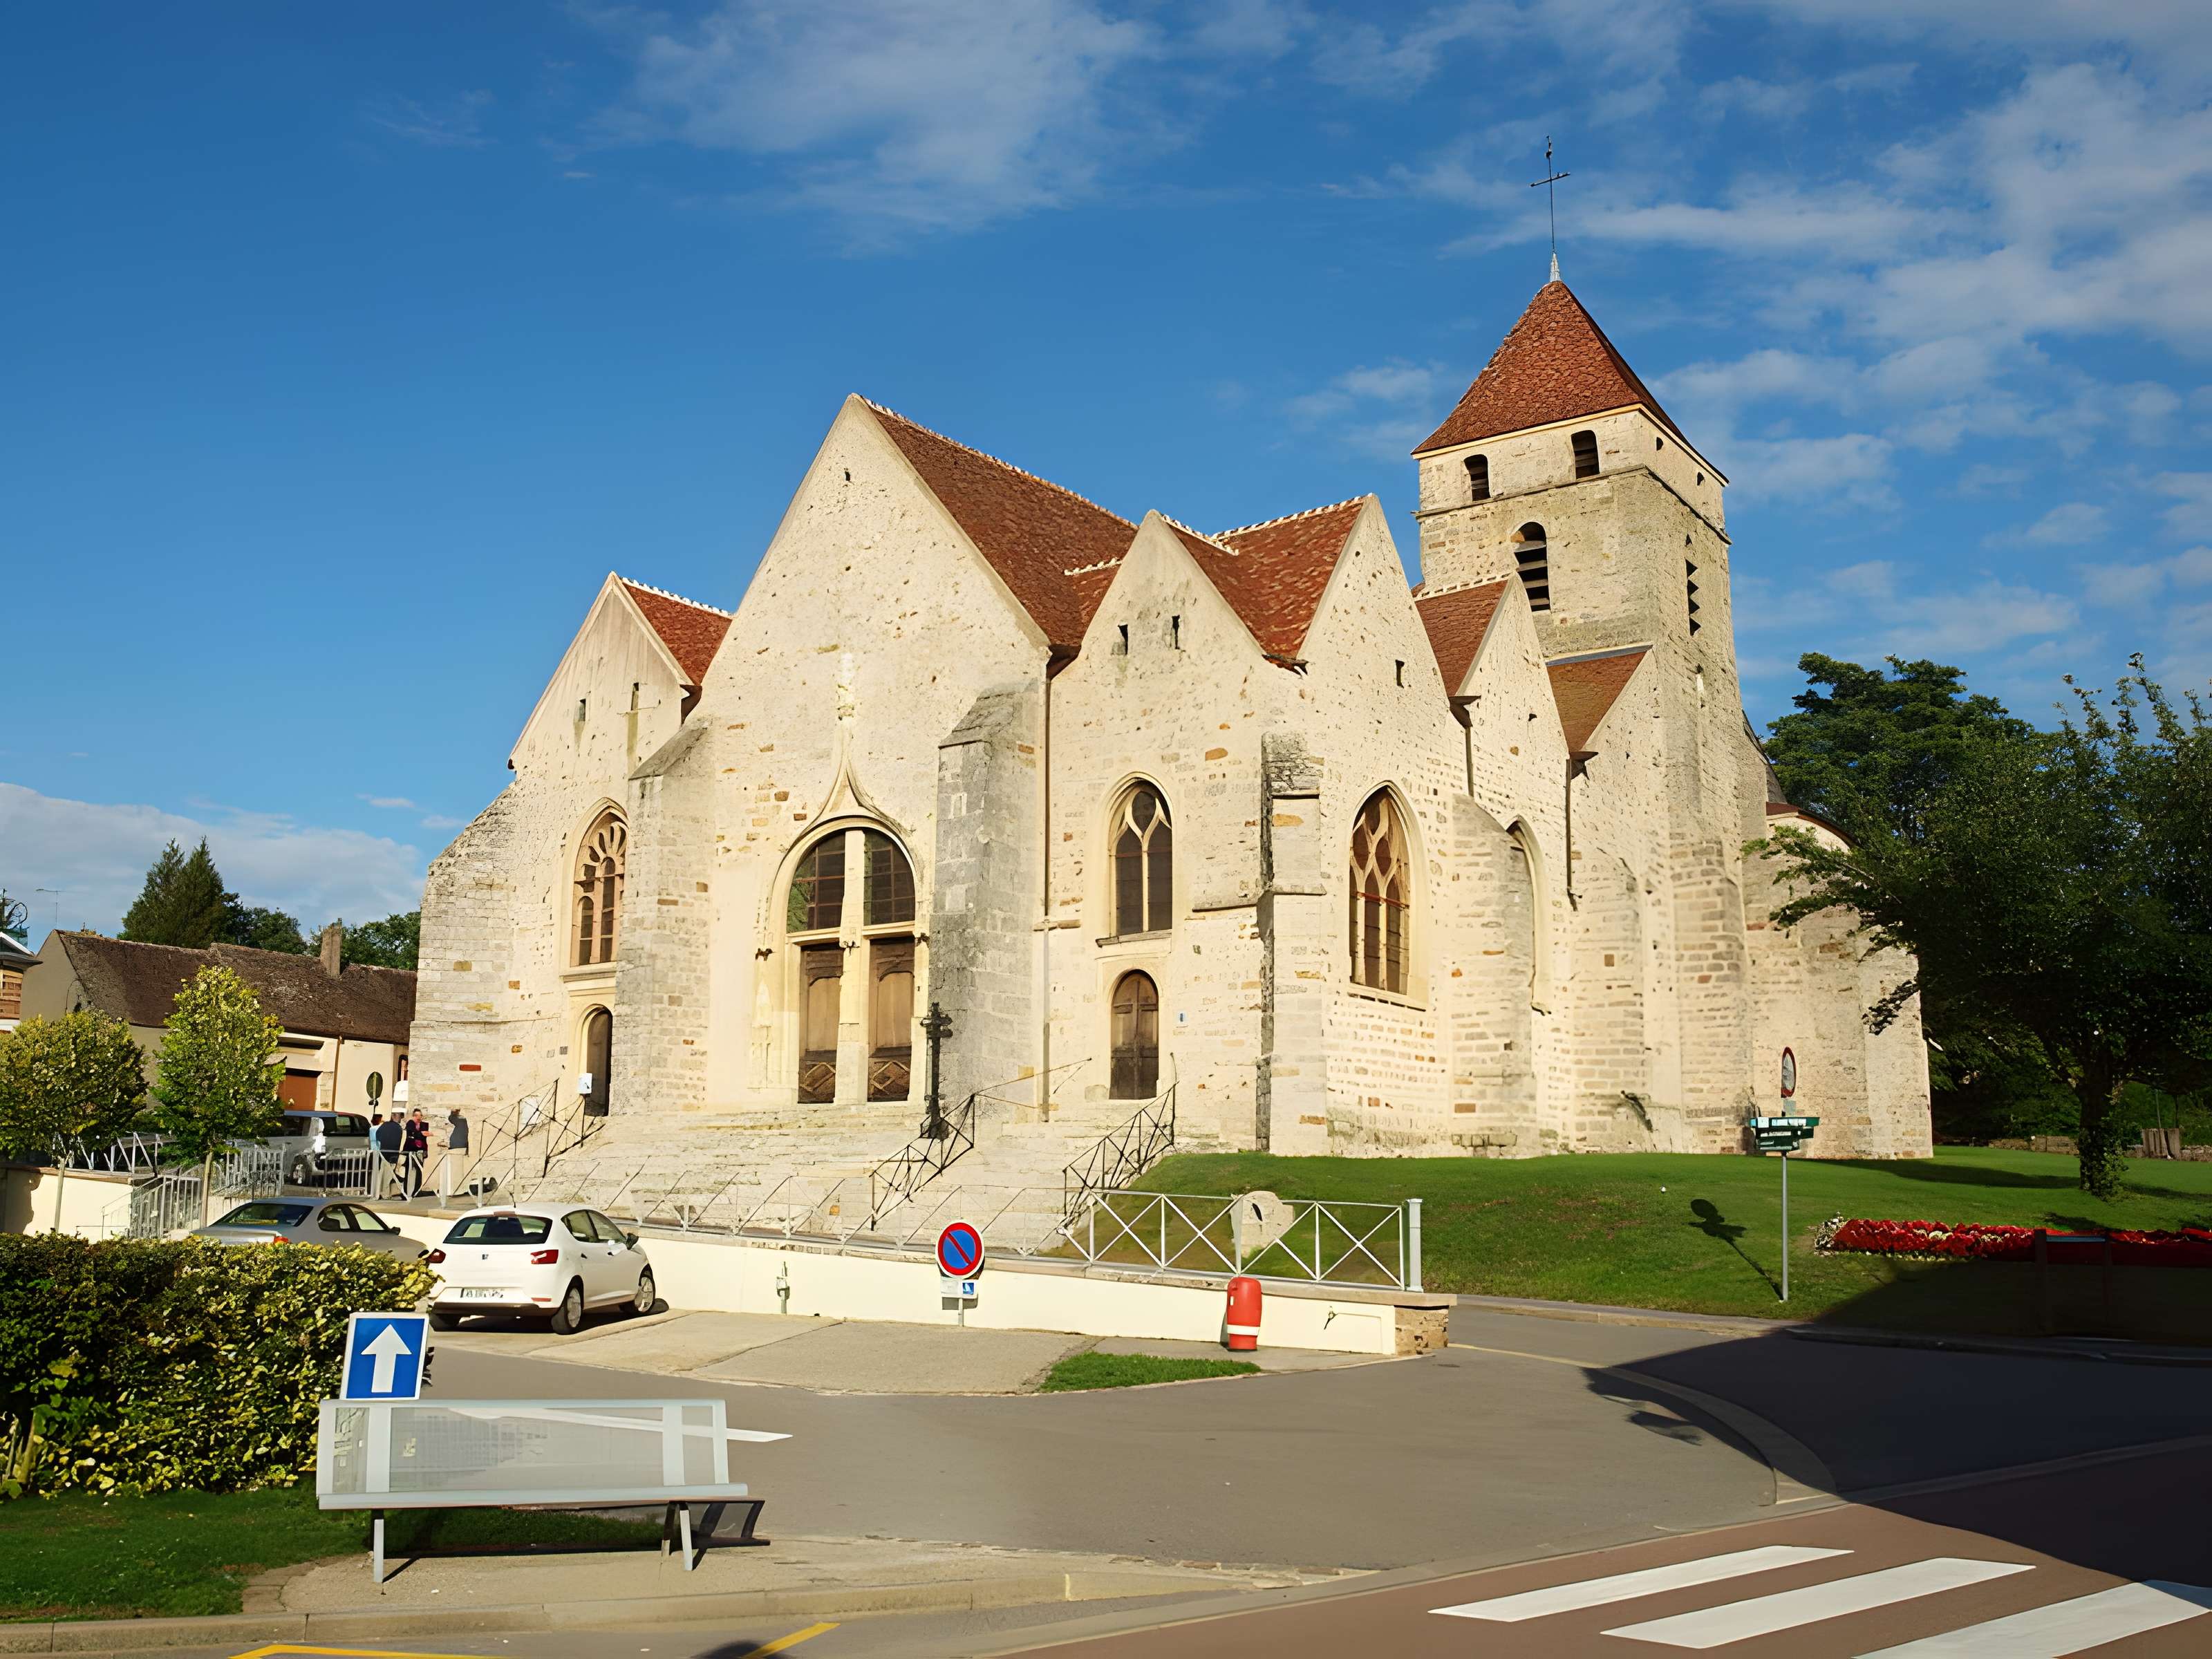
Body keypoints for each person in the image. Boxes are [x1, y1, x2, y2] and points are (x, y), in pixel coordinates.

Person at [373, 1112, 403, 1197]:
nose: (400, 1118)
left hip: (383, 1152)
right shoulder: (398, 1128)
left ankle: (379, 1193)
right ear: (394, 1117)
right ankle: (385, 1194)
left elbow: (377, 1136)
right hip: (394, 1154)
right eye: (399, 1116)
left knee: (382, 1174)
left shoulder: (384, 1125)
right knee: (389, 1175)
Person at [402, 1110, 429, 1198]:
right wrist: (421, 1134)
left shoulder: (424, 1125)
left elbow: (424, 1138)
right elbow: (412, 1134)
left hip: (420, 1150)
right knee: (409, 1170)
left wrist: (425, 1150)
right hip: (411, 1150)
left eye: (420, 1115)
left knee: (419, 1171)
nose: (418, 1117)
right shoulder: (410, 1123)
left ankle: (417, 1190)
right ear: (413, 1116)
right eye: (417, 1115)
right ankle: (406, 1191)